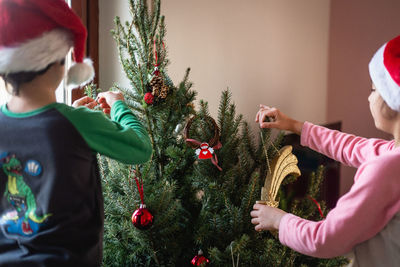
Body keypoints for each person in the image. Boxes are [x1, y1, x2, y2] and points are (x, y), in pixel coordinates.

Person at [0, 0, 152, 266]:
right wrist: (118, 105)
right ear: (58, 63)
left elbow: (39, 130)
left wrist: (70, 115)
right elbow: (140, 148)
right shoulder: (79, 122)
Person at [251, 34, 400, 267]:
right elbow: (350, 146)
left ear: (393, 99)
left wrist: (279, 220)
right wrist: (294, 125)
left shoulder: (387, 169)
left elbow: (325, 239)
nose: (369, 98)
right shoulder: (393, 155)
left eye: (374, 90)